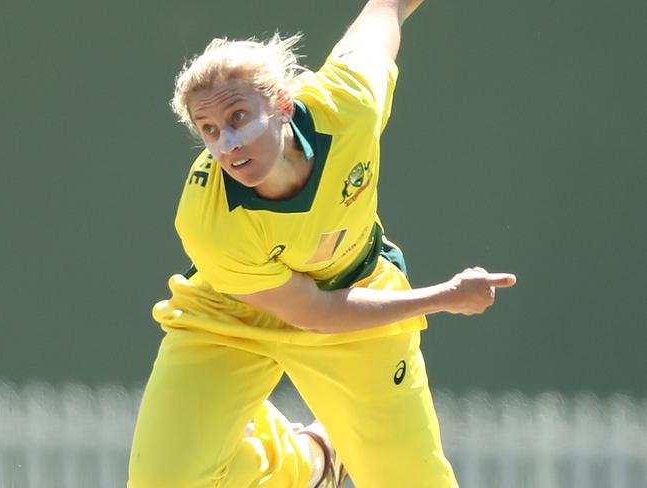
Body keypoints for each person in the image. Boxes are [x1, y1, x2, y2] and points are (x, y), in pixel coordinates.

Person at [128, 1, 517, 487]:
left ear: (284, 104)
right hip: (230, 316)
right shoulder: (207, 220)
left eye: (240, 115)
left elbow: (388, 9)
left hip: (354, 291)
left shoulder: (348, 101)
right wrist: (445, 296)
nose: (227, 143)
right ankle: (310, 462)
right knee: (164, 481)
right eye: (210, 130)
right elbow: (315, 314)